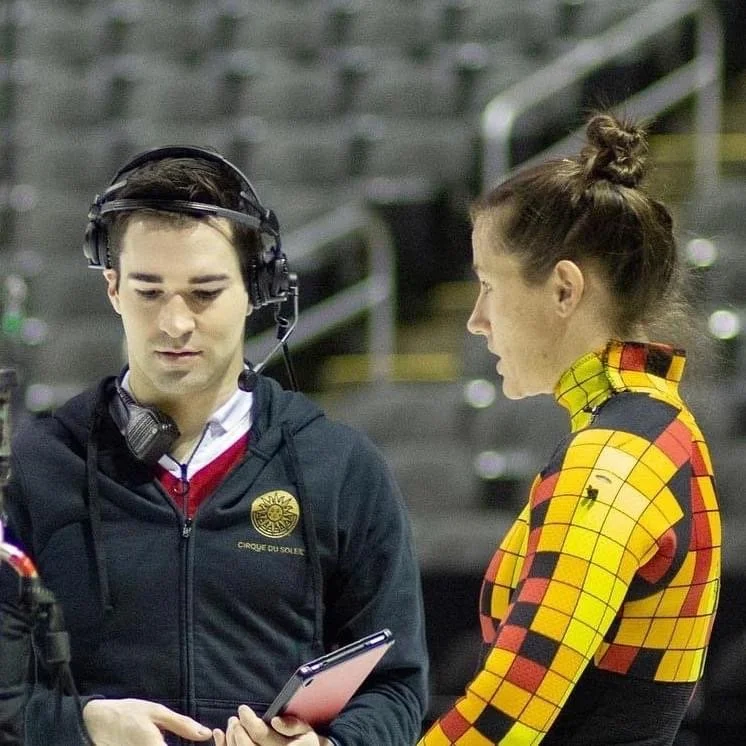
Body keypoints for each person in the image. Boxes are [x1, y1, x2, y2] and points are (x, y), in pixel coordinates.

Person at [0, 146, 428, 746]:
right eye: (150, 292)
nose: (175, 323)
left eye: (203, 293)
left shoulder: (340, 467)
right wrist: (81, 726)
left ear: (258, 290)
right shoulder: (36, 468)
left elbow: (396, 687)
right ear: (113, 287)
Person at [418, 113, 721, 745]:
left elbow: (505, 718)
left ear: (562, 290)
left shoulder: (612, 458)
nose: (476, 321)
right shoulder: (655, 429)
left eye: (487, 287)